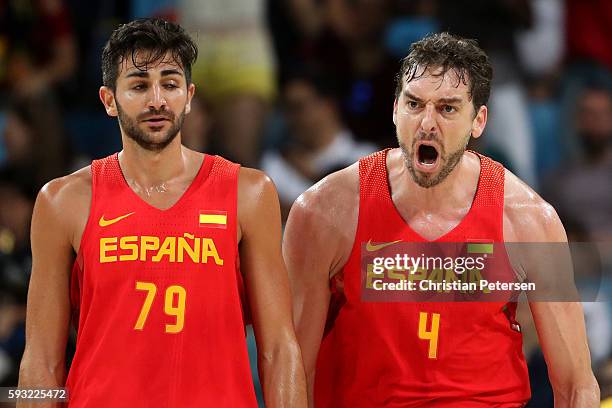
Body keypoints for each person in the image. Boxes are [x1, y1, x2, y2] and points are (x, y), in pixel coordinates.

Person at [284, 32, 599, 407]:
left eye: (447, 108)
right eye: (415, 104)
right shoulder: (324, 212)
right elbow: (293, 368)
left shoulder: (530, 220)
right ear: (395, 109)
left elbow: (577, 385)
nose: (427, 124)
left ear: (478, 121)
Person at [18, 18, 306, 407]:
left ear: (188, 96)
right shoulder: (62, 201)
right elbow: (39, 359)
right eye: (138, 85)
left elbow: (279, 348)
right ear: (108, 100)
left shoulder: (249, 193)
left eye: (169, 84)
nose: (157, 99)